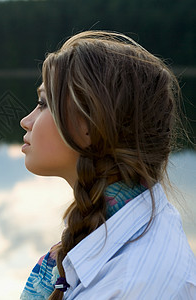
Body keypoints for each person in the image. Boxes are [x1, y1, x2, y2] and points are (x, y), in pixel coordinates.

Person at [19, 30, 196, 299]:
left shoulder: (128, 285)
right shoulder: (139, 220)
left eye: (43, 104)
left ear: (89, 125)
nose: (26, 121)